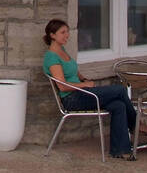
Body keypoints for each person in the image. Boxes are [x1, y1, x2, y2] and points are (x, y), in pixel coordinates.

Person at [42, 18, 138, 160]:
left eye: (67, 32)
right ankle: (136, 125)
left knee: (119, 105)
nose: (66, 35)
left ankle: (119, 150)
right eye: (62, 32)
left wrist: (83, 79)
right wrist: (84, 85)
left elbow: (73, 71)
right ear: (52, 35)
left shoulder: (62, 50)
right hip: (72, 99)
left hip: (82, 93)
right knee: (120, 90)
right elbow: (62, 85)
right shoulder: (51, 57)